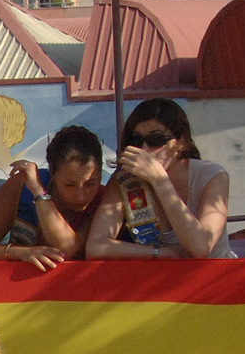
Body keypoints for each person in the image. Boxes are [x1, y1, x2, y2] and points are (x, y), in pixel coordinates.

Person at [86, 98, 232, 260]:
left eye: (156, 140)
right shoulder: (125, 180)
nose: (144, 149)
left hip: (215, 275)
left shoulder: (213, 175)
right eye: (136, 140)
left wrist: (160, 181)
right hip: (161, 278)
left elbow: (201, 247)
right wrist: (160, 253)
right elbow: (95, 247)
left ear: (181, 143)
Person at [0, 125, 104, 270]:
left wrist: (38, 192)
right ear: (52, 171)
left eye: (90, 184)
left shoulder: (104, 199)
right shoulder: (23, 184)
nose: (80, 197)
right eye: (69, 185)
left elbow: (68, 250)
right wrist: (19, 253)